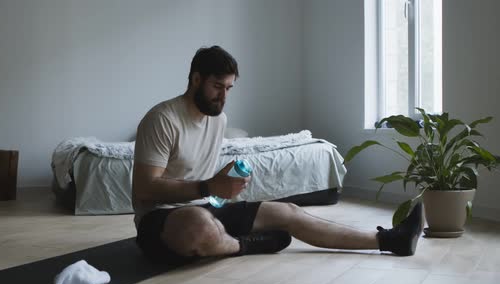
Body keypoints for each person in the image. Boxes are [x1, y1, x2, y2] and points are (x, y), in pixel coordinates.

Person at [132, 45, 423, 265]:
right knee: (198, 225)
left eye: (229, 88)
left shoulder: (218, 120)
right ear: (196, 80)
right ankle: (247, 245)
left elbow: (202, 183)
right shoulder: (162, 119)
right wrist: (208, 186)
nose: (223, 97)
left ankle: (390, 239)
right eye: (217, 87)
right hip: (160, 221)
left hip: (205, 207)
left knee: (288, 212)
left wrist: (222, 186)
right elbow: (145, 189)